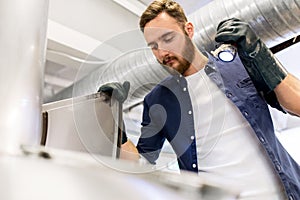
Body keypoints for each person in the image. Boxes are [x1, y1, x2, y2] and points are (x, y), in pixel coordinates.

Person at [98, 0, 300, 199]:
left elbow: (297, 106)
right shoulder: (158, 100)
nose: (162, 53)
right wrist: (115, 122)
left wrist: (259, 52)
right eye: (154, 46)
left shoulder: (239, 65)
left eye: (168, 38)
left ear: (189, 29)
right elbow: (140, 164)